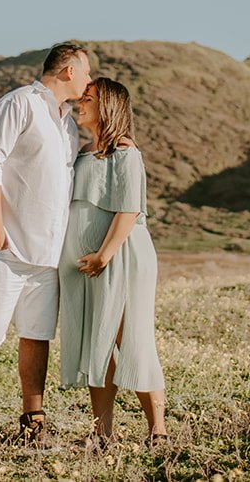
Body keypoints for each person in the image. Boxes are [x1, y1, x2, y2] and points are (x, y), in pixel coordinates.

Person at [0, 41, 92, 448]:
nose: (88, 80)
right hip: (5, 248)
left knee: (37, 334)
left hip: (46, 252)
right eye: (85, 71)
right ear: (68, 71)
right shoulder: (18, 104)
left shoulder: (67, 122)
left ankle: (33, 420)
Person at [60, 77, 167, 448]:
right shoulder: (83, 152)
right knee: (97, 341)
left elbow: (129, 208)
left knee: (130, 337)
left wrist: (105, 254)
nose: (80, 104)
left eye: (87, 99)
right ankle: (101, 432)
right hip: (88, 262)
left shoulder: (125, 151)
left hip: (121, 256)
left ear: (107, 107)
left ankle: (158, 430)